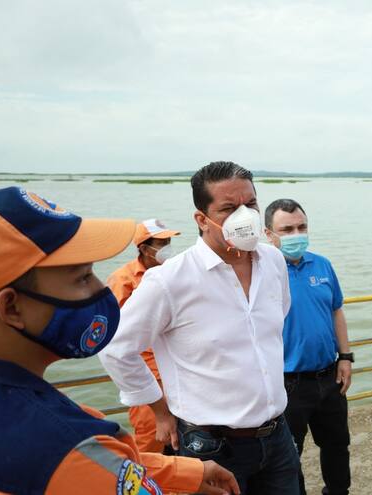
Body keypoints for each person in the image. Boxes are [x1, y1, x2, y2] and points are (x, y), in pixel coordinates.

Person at [0, 187, 238, 494]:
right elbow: (89, 468)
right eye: (82, 277)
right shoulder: (68, 444)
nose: (99, 288)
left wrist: (182, 472)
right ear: (11, 307)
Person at [99, 162, 300, 495]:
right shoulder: (170, 280)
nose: (244, 216)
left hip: (277, 435)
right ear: (201, 219)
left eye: (250, 205)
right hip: (210, 445)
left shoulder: (273, 261)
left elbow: (277, 319)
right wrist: (160, 410)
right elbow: (116, 348)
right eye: (228, 208)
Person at [264, 198, 353, 495]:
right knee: (289, 456)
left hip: (329, 377)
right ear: (268, 234)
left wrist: (346, 357)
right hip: (287, 383)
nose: (296, 234)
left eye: (301, 227)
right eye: (286, 229)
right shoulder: (262, 273)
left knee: (337, 446)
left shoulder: (323, 265)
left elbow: (336, 310)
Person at [106, 218, 180, 454]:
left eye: (168, 240)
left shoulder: (175, 271)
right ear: (144, 248)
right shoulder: (123, 280)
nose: (167, 246)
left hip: (178, 369)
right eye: (161, 242)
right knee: (150, 444)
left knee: (183, 439)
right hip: (147, 375)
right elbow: (114, 338)